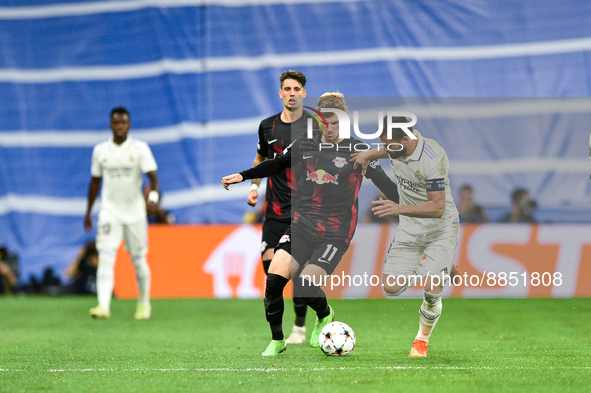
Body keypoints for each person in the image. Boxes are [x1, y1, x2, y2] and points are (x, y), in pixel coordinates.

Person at [222, 93, 399, 356]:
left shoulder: (358, 152)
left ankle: (325, 315)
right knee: (274, 281)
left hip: (335, 232)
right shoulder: (305, 145)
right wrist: (243, 176)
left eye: (335, 122)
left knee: (305, 286)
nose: (330, 127)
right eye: (325, 121)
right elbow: (275, 163)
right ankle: (277, 340)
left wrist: (410, 206)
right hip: (303, 223)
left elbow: (386, 185)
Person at [350, 115, 460, 357]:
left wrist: (398, 208)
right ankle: (441, 265)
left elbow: (437, 207)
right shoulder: (397, 146)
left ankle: (421, 340)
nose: (386, 149)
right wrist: (368, 155)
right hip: (411, 226)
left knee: (432, 292)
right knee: (391, 288)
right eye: (383, 144)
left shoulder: (433, 158)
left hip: (440, 225)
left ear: (407, 139)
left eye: (390, 145)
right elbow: (386, 150)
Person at [247, 70, 310, 344]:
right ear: (280, 93)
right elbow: (262, 157)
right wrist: (253, 187)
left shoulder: (314, 126)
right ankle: (286, 327)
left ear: (303, 93)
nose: (292, 92)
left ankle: (299, 326)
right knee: (270, 271)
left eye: (297, 88)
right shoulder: (267, 126)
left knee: (295, 270)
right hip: (274, 209)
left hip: (304, 211)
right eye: (287, 88)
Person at [84, 107, 160, 319]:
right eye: (116, 123)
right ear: (110, 125)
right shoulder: (101, 151)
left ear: (129, 125)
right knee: (106, 257)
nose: (119, 126)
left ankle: (144, 304)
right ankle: (103, 306)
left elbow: (153, 178)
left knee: (138, 260)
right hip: (109, 213)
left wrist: (152, 198)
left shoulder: (139, 148)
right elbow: (95, 182)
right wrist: (89, 211)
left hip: (135, 213)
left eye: (123, 123)